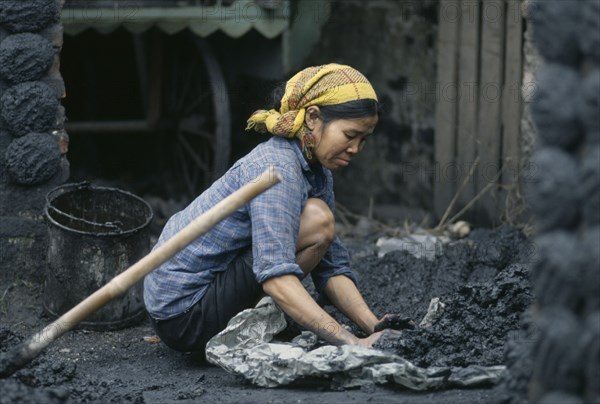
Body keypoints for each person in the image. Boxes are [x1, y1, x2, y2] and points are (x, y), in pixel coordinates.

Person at [144, 63, 388, 359]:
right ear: (312, 117)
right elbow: (276, 275)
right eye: (350, 135)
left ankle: (267, 317)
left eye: (363, 139)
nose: (355, 148)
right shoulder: (278, 170)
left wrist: (374, 326)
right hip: (184, 314)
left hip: (201, 296)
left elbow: (332, 266)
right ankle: (251, 326)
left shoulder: (316, 171)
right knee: (317, 219)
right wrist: (350, 341)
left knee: (317, 218)